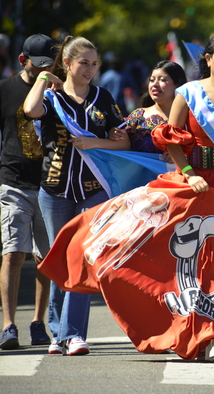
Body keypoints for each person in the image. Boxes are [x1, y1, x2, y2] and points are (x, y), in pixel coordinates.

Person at [37, 33, 214, 362]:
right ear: (208, 59)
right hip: (193, 184)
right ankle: (207, 336)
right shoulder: (188, 94)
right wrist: (190, 173)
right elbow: (172, 140)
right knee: (180, 253)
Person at [23, 36, 129, 356]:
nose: (90, 69)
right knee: (60, 261)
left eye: (94, 64)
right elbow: (30, 110)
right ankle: (57, 333)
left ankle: (74, 334)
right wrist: (43, 78)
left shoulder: (103, 97)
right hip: (55, 189)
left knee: (82, 258)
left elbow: (122, 143)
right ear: (67, 64)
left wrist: (94, 143)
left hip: (92, 190)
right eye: (83, 62)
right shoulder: (51, 97)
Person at [0, 33, 56, 350]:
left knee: (44, 257)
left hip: (49, 184)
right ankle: (9, 325)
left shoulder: (58, 91)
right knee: (13, 253)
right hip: (13, 180)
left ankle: (38, 322)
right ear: (24, 61)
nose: (47, 71)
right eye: (41, 66)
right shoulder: (6, 89)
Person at [112, 60, 187, 154]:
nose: (155, 84)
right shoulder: (138, 116)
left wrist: (181, 156)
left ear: (178, 86)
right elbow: (122, 148)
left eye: (163, 80)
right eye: (152, 80)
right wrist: (113, 134)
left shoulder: (189, 119)